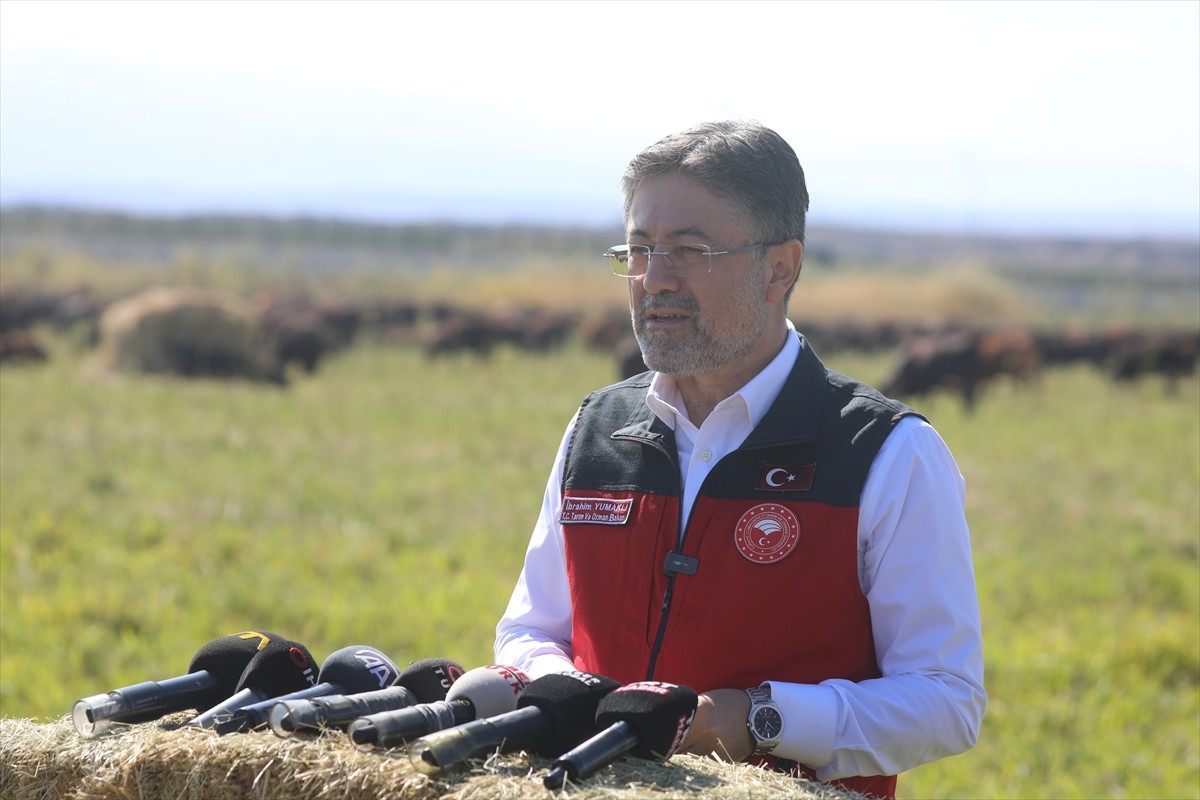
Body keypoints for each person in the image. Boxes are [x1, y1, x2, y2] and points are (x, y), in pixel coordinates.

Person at [494, 120, 985, 799]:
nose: (652, 281)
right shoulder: (595, 427)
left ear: (780, 267)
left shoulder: (890, 453)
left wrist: (758, 719)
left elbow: (946, 701)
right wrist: (556, 685)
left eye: (689, 252)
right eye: (638, 250)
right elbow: (528, 628)